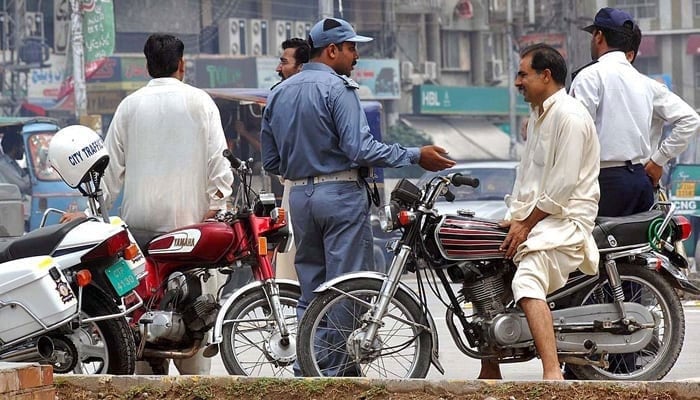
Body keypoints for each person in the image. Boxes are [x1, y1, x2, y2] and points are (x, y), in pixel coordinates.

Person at [260, 17, 455, 376]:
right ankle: (334, 375)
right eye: (351, 48)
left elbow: (271, 160)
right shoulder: (339, 89)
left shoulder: (279, 93)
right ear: (332, 50)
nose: (356, 55)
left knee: (312, 290)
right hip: (340, 195)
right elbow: (360, 147)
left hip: (300, 197)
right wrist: (415, 155)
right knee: (347, 289)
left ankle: (308, 370)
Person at [61, 33, 234, 375]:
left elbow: (107, 173)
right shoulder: (200, 103)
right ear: (181, 65)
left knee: (139, 336)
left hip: (138, 244)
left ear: (146, 67)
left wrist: (91, 213)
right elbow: (221, 165)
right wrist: (217, 206)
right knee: (195, 344)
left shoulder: (130, 106)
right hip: (191, 237)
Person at [478, 43, 600, 381]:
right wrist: (513, 219)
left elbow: (562, 184)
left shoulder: (570, 116)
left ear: (545, 75)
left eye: (522, 75)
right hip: (538, 217)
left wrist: (526, 225)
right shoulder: (538, 118)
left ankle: (551, 372)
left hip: (565, 219)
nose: (517, 82)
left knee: (528, 279)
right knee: (480, 265)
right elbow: (526, 176)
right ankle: (490, 367)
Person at [569, 7, 656, 218]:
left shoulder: (590, 76)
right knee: (637, 249)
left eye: (593, 35)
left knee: (590, 249)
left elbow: (576, 135)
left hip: (605, 181)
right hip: (639, 180)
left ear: (599, 36)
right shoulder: (643, 81)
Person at [625, 24, 700, 179]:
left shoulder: (648, 88)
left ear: (630, 56)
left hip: (642, 173)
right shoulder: (593, 83)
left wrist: (658, 159)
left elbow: (690, 121)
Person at [273, 37, 310, 281]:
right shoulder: (281, 97)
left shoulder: (289, 99)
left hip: (301, 189)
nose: (278, 68)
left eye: (284, 62)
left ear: (300, 67)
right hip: (293, 188)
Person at [0, 130, 31, 197]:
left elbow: (23, 175)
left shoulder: (12, 163)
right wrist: (36, 175)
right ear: (15, 147)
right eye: (22, 146)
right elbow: (22, 185)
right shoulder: (4, 164)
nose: (23, 150)